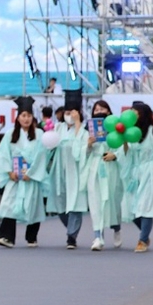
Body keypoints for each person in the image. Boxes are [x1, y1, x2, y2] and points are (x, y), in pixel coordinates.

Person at [0, 97, 51, 249]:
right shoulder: (10, 134)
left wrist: (31, 173)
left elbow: (41, 155)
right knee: (9, 204)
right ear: (18, 118)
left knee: (34, 204)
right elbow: (2, 154)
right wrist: (8, 171)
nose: (26, 119)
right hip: (15, 177)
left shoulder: (39, 134)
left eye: (28, 116)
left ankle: (31, 236)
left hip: (30, 177)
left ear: (33, 118)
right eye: (23, 116)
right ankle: (6, 237)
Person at [118, 103, 153, 252]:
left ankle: (142, 240)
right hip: (136, 172)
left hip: (151, 170)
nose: (133, 115)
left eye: (136, 112)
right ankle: (145, 233)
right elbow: (127, 153)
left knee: (146, 205)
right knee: (133, 207)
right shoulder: (132, 133)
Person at [51, 93, 90, 249]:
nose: (69, 116)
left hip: (76, 169)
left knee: (75, 203)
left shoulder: (83, 131)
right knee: (60, 203)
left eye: (73, 113)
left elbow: (80, 149)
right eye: (67, 113)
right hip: (60, 168)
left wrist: (78, 124)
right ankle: (70, 228)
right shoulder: (58, 128)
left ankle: (71, 236)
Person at [86, 101, 125, 251]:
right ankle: (98, 237)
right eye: (96, 109)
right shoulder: (89, 130)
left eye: (102, 108)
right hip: (96, 167)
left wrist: (115, 155)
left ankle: (117, 229)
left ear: (109, 112)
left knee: (113, 201)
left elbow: (124, 148)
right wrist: (89, 145)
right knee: (95, 203)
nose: (99, 111)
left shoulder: (117, 130)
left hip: (112, 168)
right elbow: (82, 154)